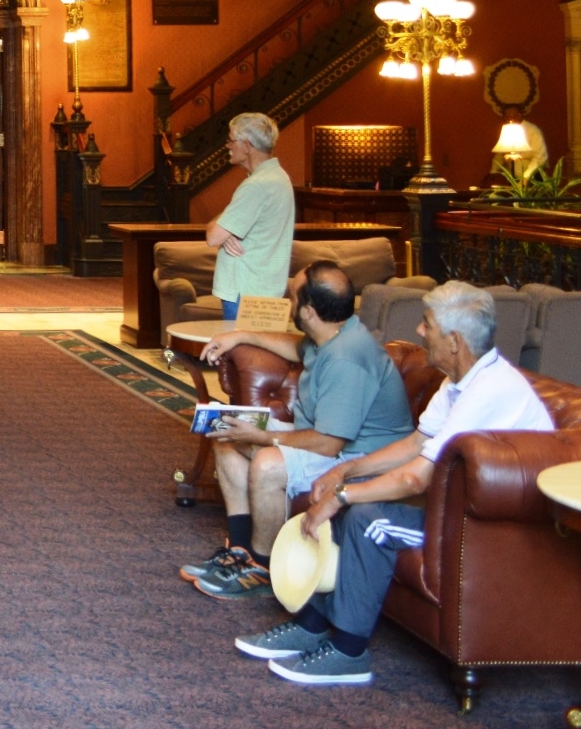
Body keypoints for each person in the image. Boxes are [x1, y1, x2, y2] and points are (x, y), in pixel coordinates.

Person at [235, 281, 553, 686]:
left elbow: (414, 476)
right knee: (354, 507)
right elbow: (415, 443)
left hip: (491, 534)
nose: (420, 331)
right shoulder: (461, 382)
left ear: (454, 341)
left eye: (427, 324)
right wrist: (344, 473)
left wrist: (339, 496)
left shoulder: (489, 392)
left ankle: (349, 652)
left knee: (369, 520)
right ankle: (312, 624)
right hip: (456, 512)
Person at [184, 261, 414, 599]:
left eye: (293, 296)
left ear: (307, 311)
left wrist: (263, 438)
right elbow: (297, 348)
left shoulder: (347, 358)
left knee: (268, 463)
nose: (288, 301)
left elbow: (328, 443)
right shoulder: (332, 334)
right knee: (227, 434)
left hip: (361, 458)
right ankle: (242, 549)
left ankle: (262, 569)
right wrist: (241, 336)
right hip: (329, 440)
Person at [205, 112, 295, 322]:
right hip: (264, 287)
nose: (228, 145)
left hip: (244, 292)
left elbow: (213, 236)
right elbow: (224, 229)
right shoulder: (278, 176)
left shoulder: (256, 185)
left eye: (231, 140)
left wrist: (219, 226)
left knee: (241, 353)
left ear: (246, 145)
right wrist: (225, 227)